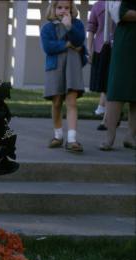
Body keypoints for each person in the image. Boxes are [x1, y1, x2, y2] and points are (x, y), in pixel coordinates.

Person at [40, 0, 87, 153]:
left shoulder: (77, 24)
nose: (63, 10)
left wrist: (69, 27)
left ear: (72, 9)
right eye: (59, 7)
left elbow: (79, 40)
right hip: (55, 68)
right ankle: (58, 135)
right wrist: (66, 45)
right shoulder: (47, 28)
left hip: (72, 67)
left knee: (71, 101)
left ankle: (72, 139)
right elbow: (48, 47)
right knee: (57, 101)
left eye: (67, 7)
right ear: (53, 9)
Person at [99, 0, 136, 151]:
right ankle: (110, 137)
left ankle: (130, 136)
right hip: (126, 41)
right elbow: (120, 13)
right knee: (116, 88)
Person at [87, 1, 115, 130]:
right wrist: (89, 49)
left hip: (117, 49)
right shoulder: (97, 6)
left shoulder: (121, 4)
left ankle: (106, 119)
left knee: (110, 84)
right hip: (100, 49)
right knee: (104, 84)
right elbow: (91, 29)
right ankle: (111, 113)